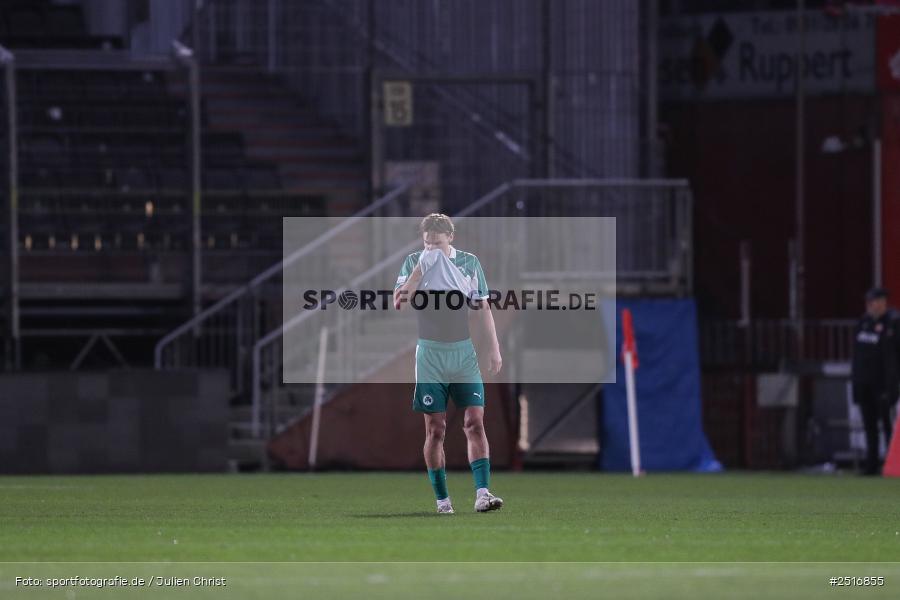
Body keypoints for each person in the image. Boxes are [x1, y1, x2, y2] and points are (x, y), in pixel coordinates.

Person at [393, 213, 503, 513]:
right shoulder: (414, 261)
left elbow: (482, 308)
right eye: (427, 243)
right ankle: (443, 501)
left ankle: (483, 494)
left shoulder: (468, 263)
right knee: (436, 429)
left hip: (463, 353)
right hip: (430, 355)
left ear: (450, 239)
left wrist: (493, 348)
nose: (432, 249)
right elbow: (400, 301)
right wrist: (420, 270)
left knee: (474, 422)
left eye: (437, 244)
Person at [851, 287, 900, 475]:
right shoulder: (863, 323)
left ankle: (892, 464)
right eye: (869, 301)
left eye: (875, 301)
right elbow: (857, 357)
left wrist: (893, 383)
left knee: (888, 426)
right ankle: (871, 466)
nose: (871, 305)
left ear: (884, 302)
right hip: (865, 385)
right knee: (869, 426)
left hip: (885, 386)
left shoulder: (893, 323)